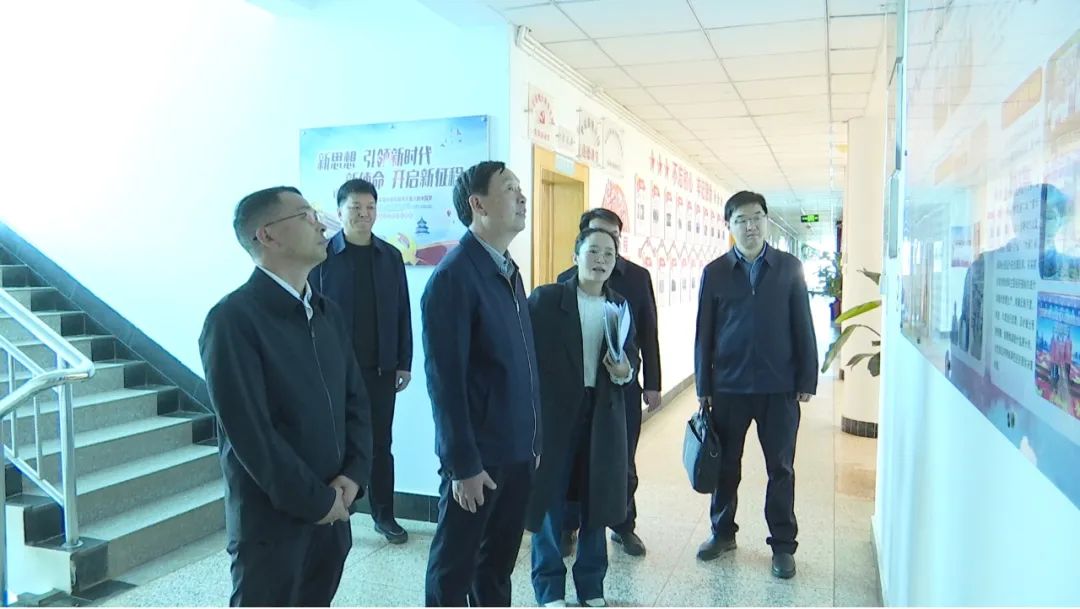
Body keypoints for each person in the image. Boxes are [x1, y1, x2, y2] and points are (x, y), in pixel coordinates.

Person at [199, 186, 373, 606]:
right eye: (305, 215)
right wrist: (317, 502)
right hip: (272, 530)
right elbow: (252, 436)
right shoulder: (232, 321)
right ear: (268, 236)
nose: (321, 224)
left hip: (333, 515)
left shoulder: (327, 313)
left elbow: (356, 402)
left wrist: (353, 476)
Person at [422, 161, 541, 606]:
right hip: (479, 461)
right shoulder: (453, 277)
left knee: (496, 568)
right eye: (510, 189)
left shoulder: (508, 270)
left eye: (520, 188)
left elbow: (521, 365)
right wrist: (463, 466)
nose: (522, 197)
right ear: (478, 204)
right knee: (454, 570)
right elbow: (445, 384)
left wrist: (535, 439)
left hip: (517, 451)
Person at [693, 190, 818, 580]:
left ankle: (782, 545)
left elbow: (803, 325)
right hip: (729, 387)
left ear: (766, 221)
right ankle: (722, 533)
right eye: (741, 220)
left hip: (778, 388)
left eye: (757, 218)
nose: (750, 226)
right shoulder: (715, 272)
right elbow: (704, 333)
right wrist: (703, 385)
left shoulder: (788, 268)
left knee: (780, 468)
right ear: (729, 226)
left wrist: (807, 377)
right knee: (725, 465)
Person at [527, 227, 638, 608]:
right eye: (593, 251)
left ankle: (591, 586)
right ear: (575, 256)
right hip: (556, 415)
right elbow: (525, 352)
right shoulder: (547, 299)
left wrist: (624, 370)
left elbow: (630, 357)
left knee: (597, 501)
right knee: (549, 499)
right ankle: (549, 588)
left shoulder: (618, 305)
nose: (601, 260)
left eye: (609, 253)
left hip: (602, 415)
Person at [310, 178, 413, 544]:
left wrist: (404, 362)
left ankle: (385, 515)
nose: (364, 214)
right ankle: (340, 512)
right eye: (355, 208)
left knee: (380, 445)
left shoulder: (390, 256)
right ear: (340, 212)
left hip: (381, 369)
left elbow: (402, 311)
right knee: (337, 444)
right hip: (335, 372)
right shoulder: (322, 257)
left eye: (370, 208)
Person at [556, 208, 661, 557]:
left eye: (613, 237)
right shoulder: (564, 280)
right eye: (597, 236)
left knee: (622, 459)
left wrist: (653, 382)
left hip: (621, 389)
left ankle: (623, 524)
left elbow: (648, 332)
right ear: (582, 238)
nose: (605, 249)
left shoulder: (637, 277)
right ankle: (568, 525)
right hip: (576, 393)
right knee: (574, 458)